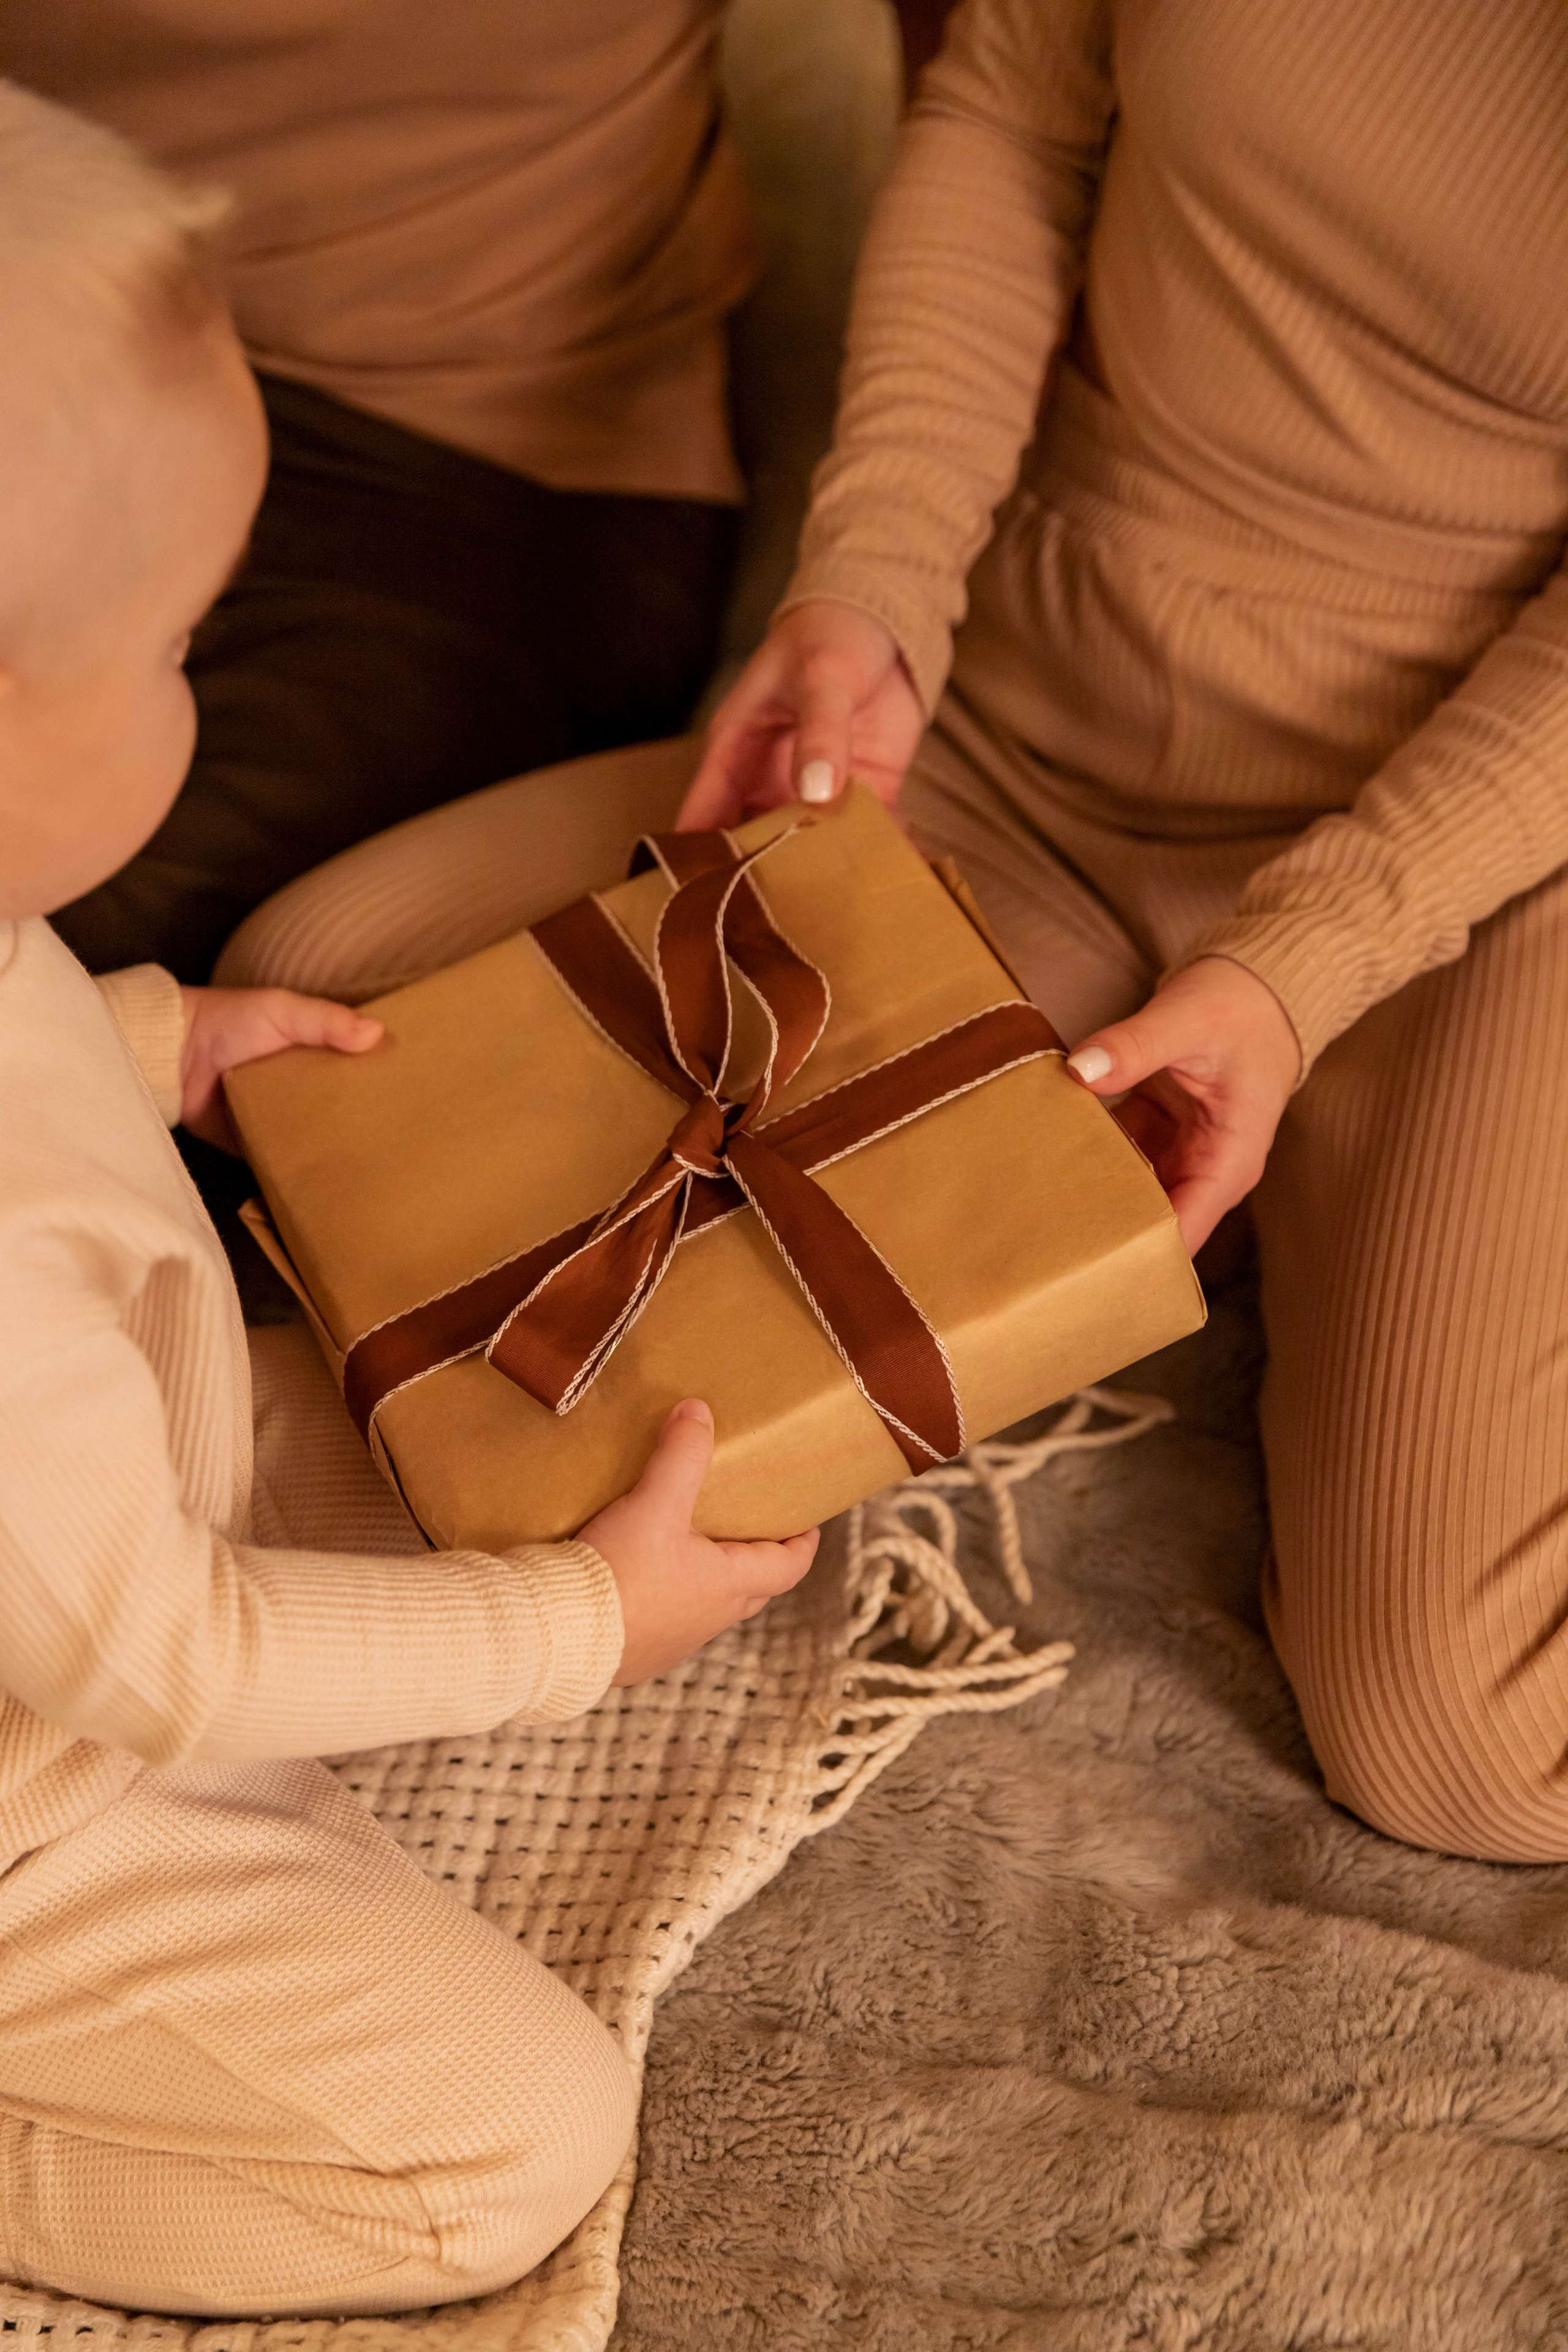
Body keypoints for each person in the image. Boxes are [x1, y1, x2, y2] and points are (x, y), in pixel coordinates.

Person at [0, 86, 813, 2317]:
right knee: (495, 2149)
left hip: (72, 1513)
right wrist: (573, 1642)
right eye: (178, 648)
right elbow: (153, 1655)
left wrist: (157, 1043)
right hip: (43, 1775)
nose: (204, 678)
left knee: (516, 1428)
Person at [679, 0, 1568, 1864]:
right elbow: (1013, 107)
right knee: (343, 1039)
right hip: (1025, 710)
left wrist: (1303, 968)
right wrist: (873, 595)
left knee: (1468, 1744)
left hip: (1485, 872)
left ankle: (1340, 1196)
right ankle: (1240, 1222)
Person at [0, 2, 756, 982]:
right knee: (76, 937)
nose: (195, 640)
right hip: (61, 303)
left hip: (481, 431)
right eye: (172, 644)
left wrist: (151, 1044)